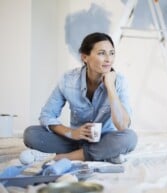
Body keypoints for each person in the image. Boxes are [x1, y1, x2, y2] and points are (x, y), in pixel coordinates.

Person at [21, 32, 137, 164]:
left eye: (111, 53)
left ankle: (61, 157)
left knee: (129, 138)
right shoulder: (68, 80)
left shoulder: (120, 81)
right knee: (31, 134)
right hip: (75, 140)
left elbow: (123, 126)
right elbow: (47, 115)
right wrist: (72, 133)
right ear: (85, 57)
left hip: (106, 139)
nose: (108, 59)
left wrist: (110, 86)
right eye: (101, 53)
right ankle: (104, 154)